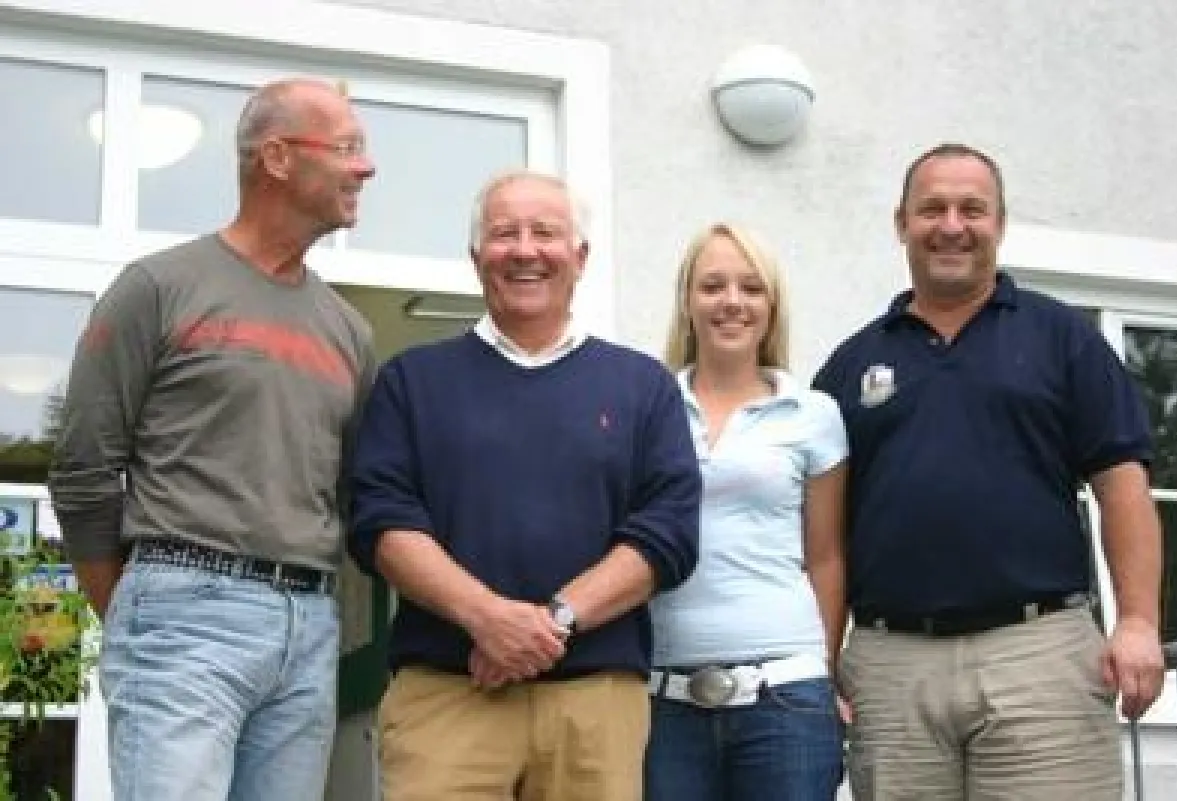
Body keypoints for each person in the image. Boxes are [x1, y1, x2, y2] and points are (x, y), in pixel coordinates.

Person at [48, 79, 377, 801]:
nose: (367, 167)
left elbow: (355, 494)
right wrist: (139, 606)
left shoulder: (348, 331)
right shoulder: (159, 287)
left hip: (310, 625)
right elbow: (82, 471)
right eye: (348, 147)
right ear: (279, 158)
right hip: (180, 607)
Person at [812, 142, 1165, 800]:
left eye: (972, 208)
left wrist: (1139, 621)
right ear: (901, 224)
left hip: (1040, 656)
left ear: (1000, 224)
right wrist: (819, 664)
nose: (951, 224)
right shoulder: (847, 365)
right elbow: (823, 540)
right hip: (892, 669)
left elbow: (1123, 487)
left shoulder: (1063, 338)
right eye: (932, 208)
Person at [349, 169, 702, 801]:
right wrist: (487, 619)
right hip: (448, 697)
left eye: (545, 232)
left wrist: (551, 623)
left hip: (595, 705)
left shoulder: (644, 387)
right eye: (504, 233)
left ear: (580, 256)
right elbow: (381, 522)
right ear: (476, 256)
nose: (524, 249)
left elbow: (667, 535)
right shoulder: (411, 382)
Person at [644, 223, 848, 801]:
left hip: (785, 700)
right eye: (713, 286)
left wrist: (823, 667)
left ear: (771, 305)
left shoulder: (814, 414)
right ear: (687, 300)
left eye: (751, 288)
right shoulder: (648, 403)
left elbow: (826, 557)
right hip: (664, 702)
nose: (732, 302)